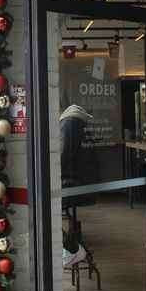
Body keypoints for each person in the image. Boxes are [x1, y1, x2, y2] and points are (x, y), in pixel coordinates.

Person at [59, 104, 92, 267]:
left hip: (73, 183)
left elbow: (65, 154)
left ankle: (72, 249)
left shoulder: (69, 124)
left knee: (43, 213)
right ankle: (71, 247)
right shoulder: (77, 124)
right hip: (78, 182)